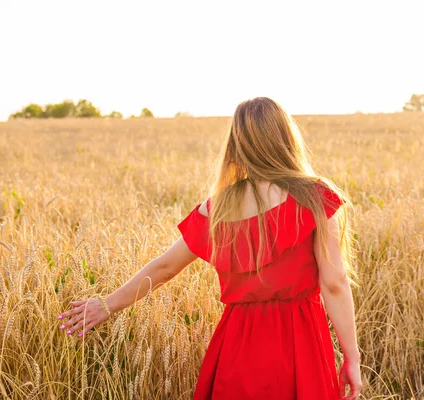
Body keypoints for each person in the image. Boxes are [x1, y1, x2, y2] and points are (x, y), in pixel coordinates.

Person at [57, 97, 363, 400]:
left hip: (236, 346)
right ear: (286, 138)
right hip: (300, 343)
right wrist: (352, 358)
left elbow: (164, 268)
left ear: (237, 143)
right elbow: (334, 285)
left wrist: (107, 304)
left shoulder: (216, 209)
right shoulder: (313, 198)